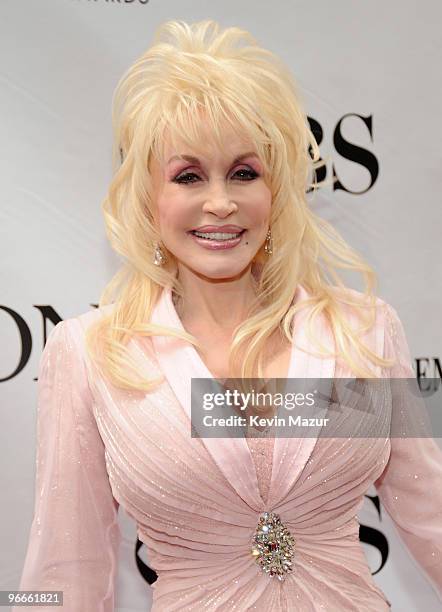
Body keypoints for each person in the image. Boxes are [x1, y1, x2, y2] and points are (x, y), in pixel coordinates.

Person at [15, 19, 442, 612]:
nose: (220, 201)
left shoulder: (363, 331)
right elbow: (65, 565)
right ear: (148, 199)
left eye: (245, 172)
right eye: (188, 176)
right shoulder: (93, 354)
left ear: (278, 190)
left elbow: (432, 517)